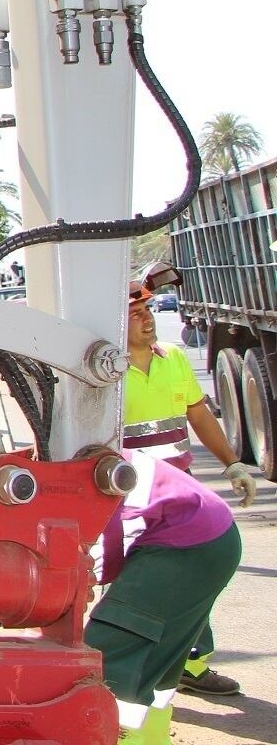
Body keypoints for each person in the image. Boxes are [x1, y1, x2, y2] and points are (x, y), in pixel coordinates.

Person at [121, 268, 260, 696]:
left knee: (193, 574)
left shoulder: (174, 359)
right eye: (136, 313)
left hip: (179, 493)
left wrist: (232, 464)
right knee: (139, 584)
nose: (147, 319)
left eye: (147, 310)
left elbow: (199, 415)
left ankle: (192, 665)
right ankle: (139, 670)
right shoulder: (104, 371)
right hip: (130, 500)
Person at [87, 451, 241, 745]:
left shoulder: (84, 476)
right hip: (215, 537)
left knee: (111, 649)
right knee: (161, 656)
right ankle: (153, 737)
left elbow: (106, 552)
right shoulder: (95, 451)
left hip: (188, 543)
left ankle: (122, 736)